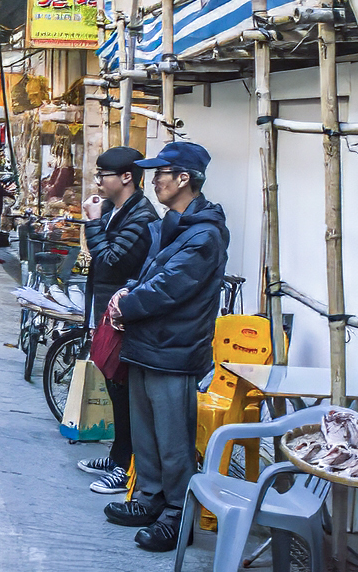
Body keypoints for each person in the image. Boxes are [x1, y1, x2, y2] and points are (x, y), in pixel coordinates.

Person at [102, 141, 229, 553]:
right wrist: (125, 294)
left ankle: (178, 515)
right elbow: (146, 276)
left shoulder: (205, 234)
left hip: (174, 349)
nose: (154, 180)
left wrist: (128, 305)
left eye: (161, 173)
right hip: (145, 343)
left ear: (184, 179)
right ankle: (149, 500)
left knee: (174, 442)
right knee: (147, 434)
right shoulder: (170, 223)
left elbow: (168, 287)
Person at [76, 146, 158, 495]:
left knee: (124, 389)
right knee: (114, 385)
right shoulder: (115, 209)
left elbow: (111, 260)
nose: (98, 182)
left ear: (126, 177)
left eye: (103, 175)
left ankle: (125, 467)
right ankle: (117, 455)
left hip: (124, 315)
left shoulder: (141, 216)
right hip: (107, 310)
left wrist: (93, 223)